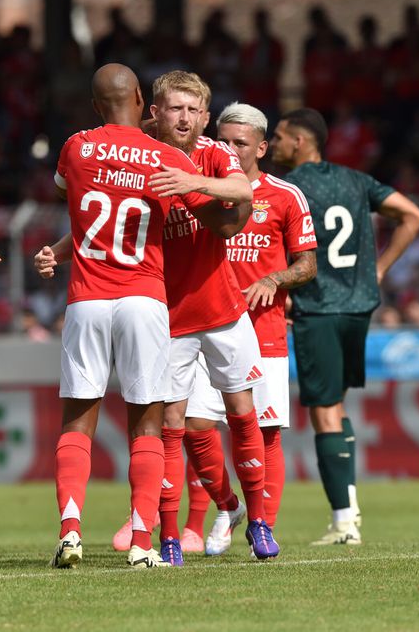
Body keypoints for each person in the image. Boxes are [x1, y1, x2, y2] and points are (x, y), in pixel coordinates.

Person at [34, 63, 243, 569]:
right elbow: (222, 215)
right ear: (140, 101)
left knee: (77, 421)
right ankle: (144, 543)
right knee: (147, 424)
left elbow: (71, 193)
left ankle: (69, 529)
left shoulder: (76, 146)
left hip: (86, 298)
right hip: (144, 299)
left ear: (94, 104)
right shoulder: (166, 158)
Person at [270, 107, 419, 545]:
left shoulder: (286, 188)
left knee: (322, 411)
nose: (274, 144)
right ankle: (349, 511)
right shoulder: (357, 180)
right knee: (335, 406)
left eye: (279, 137)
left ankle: (343, 522)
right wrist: (379, 269)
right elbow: (413, 215)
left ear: (300, 142)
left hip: (317, 305)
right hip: (359, 306)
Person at [139, 71, 275, 566]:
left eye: (194, 110)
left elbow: (242, 192)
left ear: (205, 115)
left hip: (222, 311)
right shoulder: (139, 157)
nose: (186, 118)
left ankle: (258, 522)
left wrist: (189, 181)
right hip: (167, 316)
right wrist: (63, 254)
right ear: (155, 112)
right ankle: (171, 537)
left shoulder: (216, 152)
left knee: (244, 414)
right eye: (175, 108)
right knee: (173, 425)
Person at [178, 102, 318, 558]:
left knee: (266, 429)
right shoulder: (198, 187)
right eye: (225, 141)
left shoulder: (284, 196)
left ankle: (264, 526)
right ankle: (228, 504)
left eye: (242, 143)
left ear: (261, 146)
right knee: (194, 425)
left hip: (263, 329)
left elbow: (308, 264)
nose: (231, 150)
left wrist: (273, 279)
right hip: (203, 322)